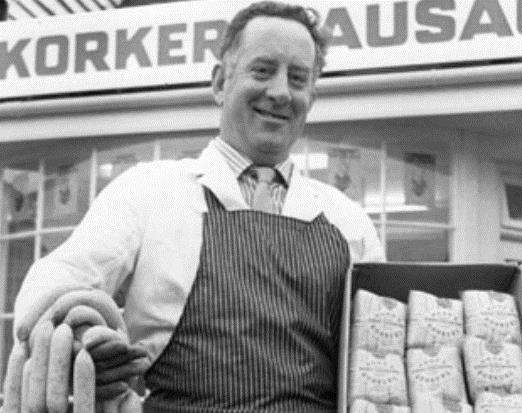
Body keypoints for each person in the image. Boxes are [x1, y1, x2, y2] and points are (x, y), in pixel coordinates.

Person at [14, 1, 384, 411]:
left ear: (311, 96)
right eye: (262, 71)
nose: (280, 92)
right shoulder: (150, 190)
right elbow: (52, 281)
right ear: (221, 83)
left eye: (298, 78)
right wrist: (83, 338)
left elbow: (376, 359)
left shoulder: (349, 221)